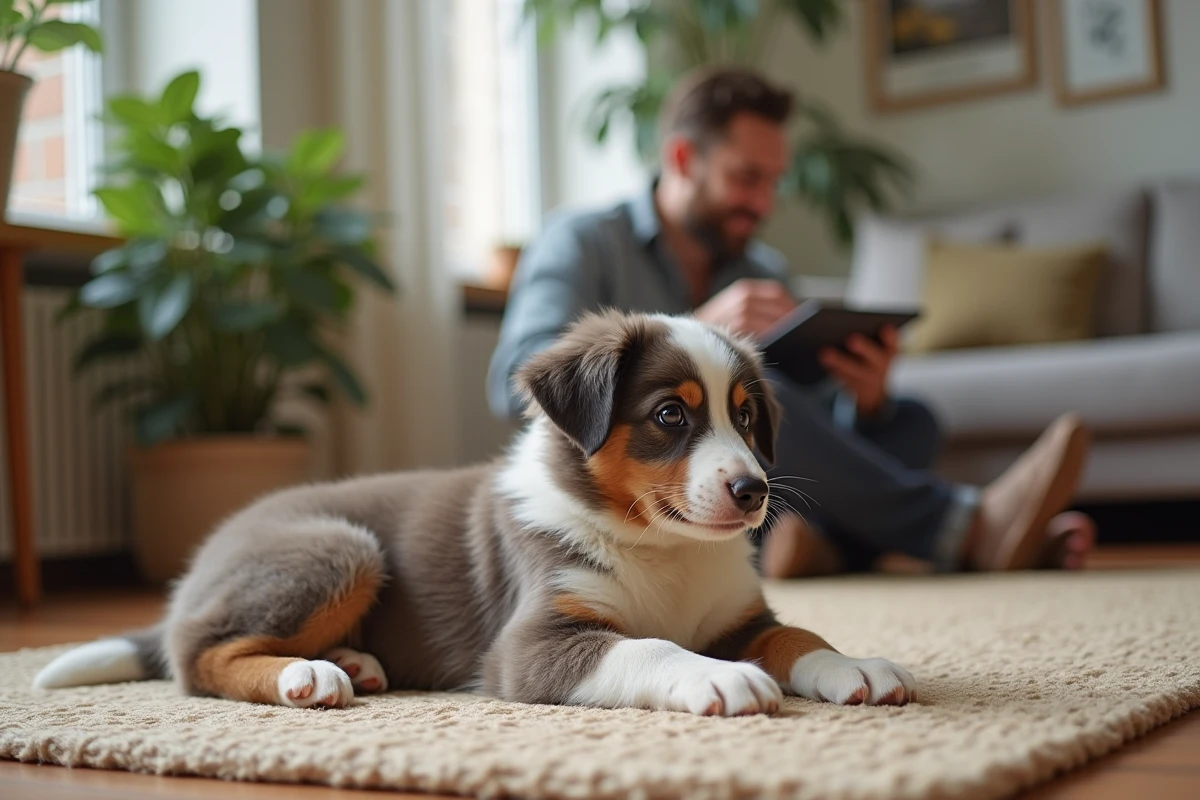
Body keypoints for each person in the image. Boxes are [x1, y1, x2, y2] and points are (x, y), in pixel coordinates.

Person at [486, 66, 1095, 576]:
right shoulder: (584, 240)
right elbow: (514, 378)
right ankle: (964, 528)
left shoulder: (762, 265)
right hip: (663, 490)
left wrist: (865, 397)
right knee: (753, 386)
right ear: (682, 158)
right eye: (746, 177)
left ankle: (817, 545)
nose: (764, 203)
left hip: (745, 489)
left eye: (773, 181)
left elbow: (815, 432)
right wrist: (697, 330)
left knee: (909, 422)